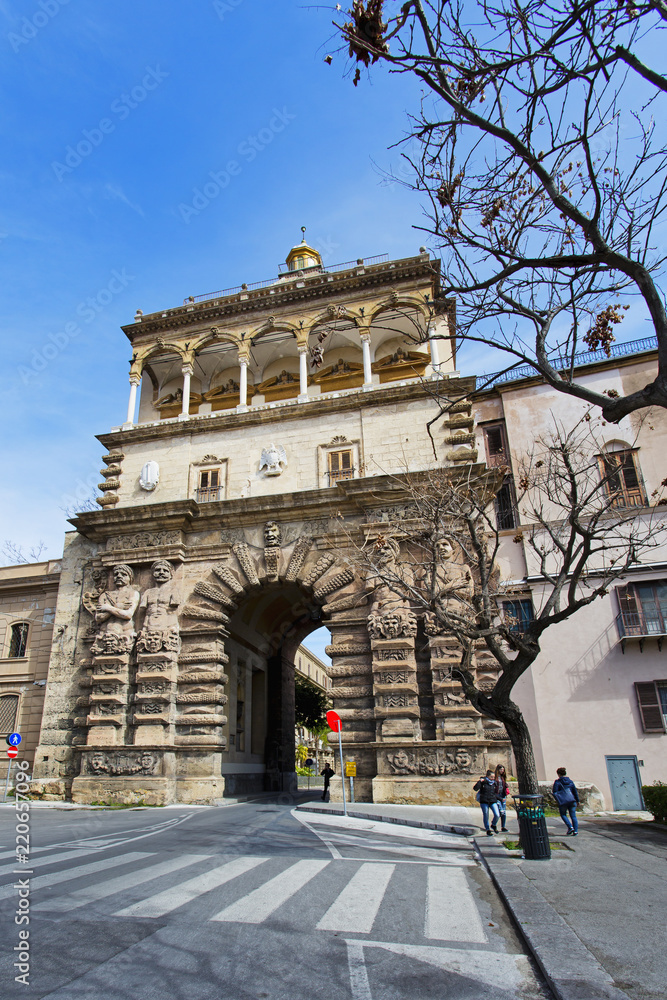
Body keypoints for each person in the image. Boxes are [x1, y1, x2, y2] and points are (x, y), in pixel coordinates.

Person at [553, 766, 580, 836]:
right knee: (573, 816)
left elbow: (554, 792)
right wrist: (577, 800)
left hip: (563, 801)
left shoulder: (557, 782)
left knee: (563, 814)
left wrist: (558, 800)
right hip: (572, 800)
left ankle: (570, 827)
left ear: (558, 774)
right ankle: (576, 831)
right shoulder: (570, 782)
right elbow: (575, 792)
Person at [473, 769, 501, 835]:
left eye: (494, 777)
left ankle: (493, 824)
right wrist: (480, 782)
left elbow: (495, 793)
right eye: (491, 777)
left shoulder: (494, 783)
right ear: (487, 776)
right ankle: (487, 829)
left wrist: (500, 798)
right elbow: (475, 788)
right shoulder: (483, 782)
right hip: (484, 801)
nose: (493, 778)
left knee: (497, 814)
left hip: (492, 800)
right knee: (486, 814)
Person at [494, 764, 510, 832]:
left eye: (503, 770)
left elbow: (503, 785)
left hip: (503, 795)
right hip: (497, 796)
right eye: (501, 769)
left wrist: (506, 785)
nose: (502, 771)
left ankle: (503, 826)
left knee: (504, 812)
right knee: (500, 811)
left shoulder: (503, 777)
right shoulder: (495, 777)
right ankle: (494, 824)